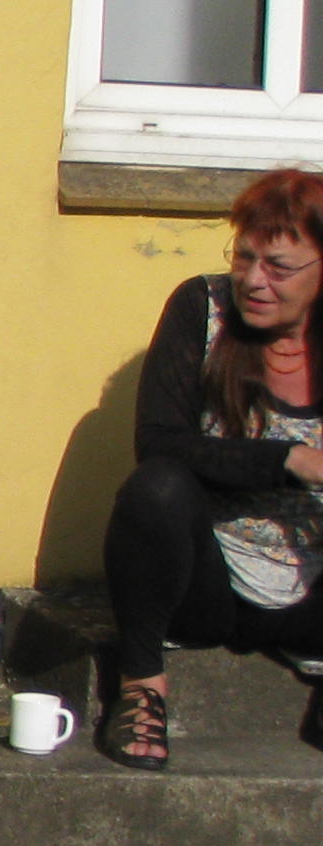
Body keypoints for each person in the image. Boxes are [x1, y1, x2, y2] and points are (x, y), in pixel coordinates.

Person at [98, 168, 323, 768]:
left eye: (279, 267)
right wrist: (289, 459)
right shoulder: (202, 307)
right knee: (156, 488)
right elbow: (159, 442)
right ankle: (141, 689)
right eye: (244, 257)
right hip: (211, 583)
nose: (254, 280)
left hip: (314, 588)